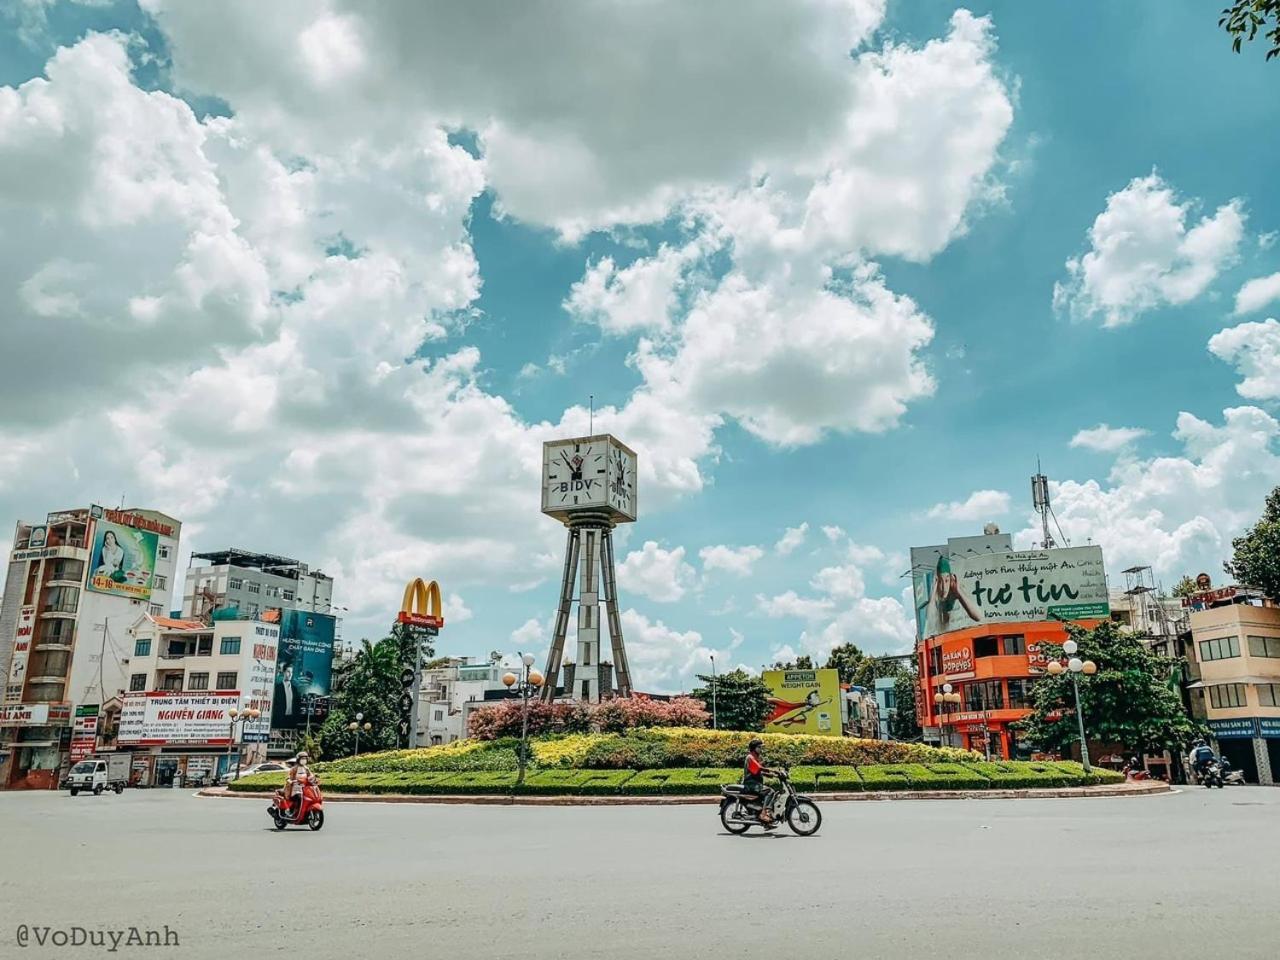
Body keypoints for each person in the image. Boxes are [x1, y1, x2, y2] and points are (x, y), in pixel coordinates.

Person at [742, 738, 778, 827]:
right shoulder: (750, 757)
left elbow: (759, 771)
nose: (761, 749)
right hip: (751, 784)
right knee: (770, 791)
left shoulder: (756, 757)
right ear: (754, 748)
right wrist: (773, 771)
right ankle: (763, 814)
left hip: (756, 783)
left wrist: (772, 775)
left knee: (770, 792)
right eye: (759, 747)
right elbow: (759, 768)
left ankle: (766, 821)